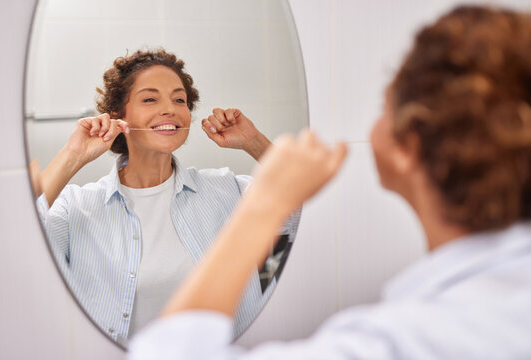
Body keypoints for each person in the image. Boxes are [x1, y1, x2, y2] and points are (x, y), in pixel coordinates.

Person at [128, 6, 531, 359]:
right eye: (149, 98)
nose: (169, 109)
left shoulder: (403, 343)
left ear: (407, 148)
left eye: (383, 109)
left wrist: (263, 197)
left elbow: (168, 353)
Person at [35, 49, 300, 343]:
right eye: (150, 99)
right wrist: (73, 155)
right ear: (118, 117)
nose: (170, 109)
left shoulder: (229, 191)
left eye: (179, 100)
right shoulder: (76, 209)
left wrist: (253, 141)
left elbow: (303, 204)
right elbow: (17, 239)